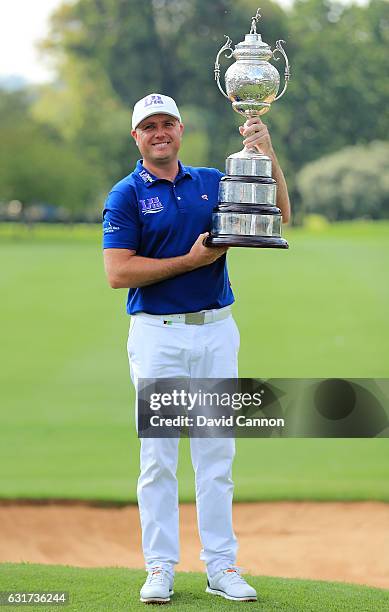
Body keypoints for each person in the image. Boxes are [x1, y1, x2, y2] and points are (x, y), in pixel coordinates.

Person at [103, 93, 290, 604]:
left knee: (216, 455)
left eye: (168, 123)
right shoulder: (126, 194)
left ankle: (221, 566)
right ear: (136, 137)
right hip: (158, 334)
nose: (159, 132)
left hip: (215, 331)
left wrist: (265, 152)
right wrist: (188, 262)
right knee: (159, 459)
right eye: (149, 126)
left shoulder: (211, 181)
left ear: (180, 130)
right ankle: (160, 567)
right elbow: (118, 272)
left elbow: (279, 213)